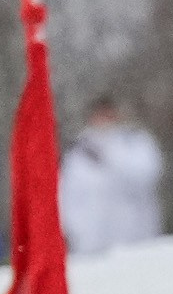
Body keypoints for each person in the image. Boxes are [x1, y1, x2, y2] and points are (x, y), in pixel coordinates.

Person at [61, 96, 166, 256]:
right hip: (91, 245)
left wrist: (112, 156)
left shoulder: (134, 142)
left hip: (136, 238)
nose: (104, 121)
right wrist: (74, 230)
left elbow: (147, 176)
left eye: (107, 115)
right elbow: (67, 196)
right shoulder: (78, 153)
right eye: (99, 115)